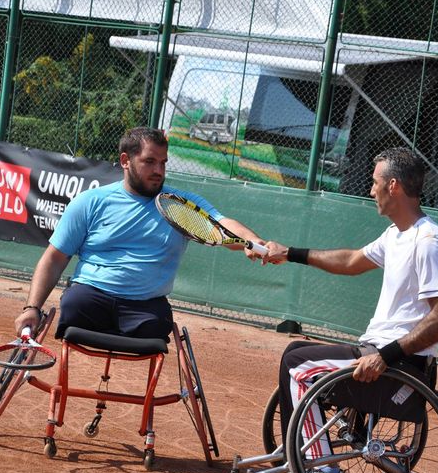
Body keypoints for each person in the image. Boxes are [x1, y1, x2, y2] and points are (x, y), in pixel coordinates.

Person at [262, 147, 438, 473]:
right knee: (295, 351)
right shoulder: (397, 235)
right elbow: (351, 260)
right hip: (381, 355)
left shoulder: (429, 241)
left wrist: (385, 356)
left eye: (375, 183)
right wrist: (289, 253)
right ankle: (304, 458)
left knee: (297, 366)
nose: (371, 190)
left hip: (398, 368)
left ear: (393, 186)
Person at [14, 126, 265, 341]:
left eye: (163, 162)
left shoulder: (180, 206)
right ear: (125, 161)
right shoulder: (90, 202)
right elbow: (55, 258)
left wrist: (252, 242)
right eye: (149, 161)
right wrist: (32, 308)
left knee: (157, 325)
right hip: (90, 299)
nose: (158, 170)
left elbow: (221, 224)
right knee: (74, 305)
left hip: (146, 310)